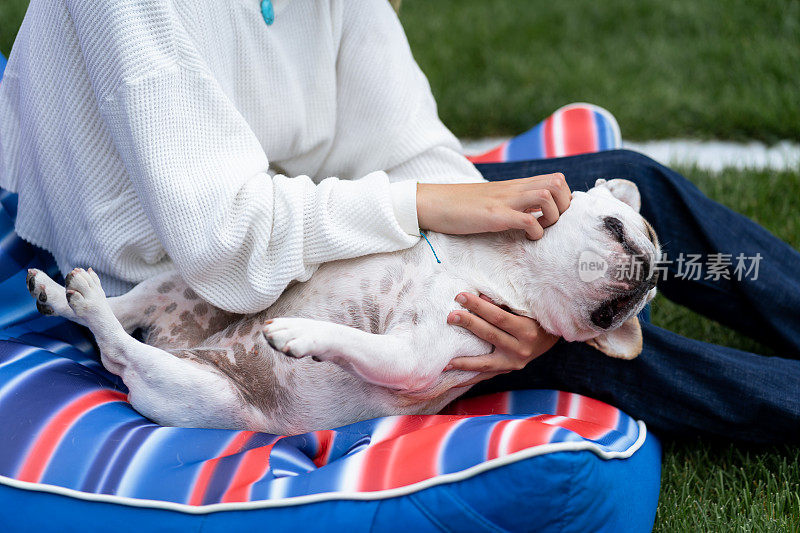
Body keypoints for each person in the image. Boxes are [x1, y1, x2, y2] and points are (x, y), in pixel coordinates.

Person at [0, 0, 797, 444]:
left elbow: (409, 145)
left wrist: (529, 285)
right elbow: (224, 242)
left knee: (634, 196)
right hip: (169, 273)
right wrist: (433, 217)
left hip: (302, 210)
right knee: (556, 341)